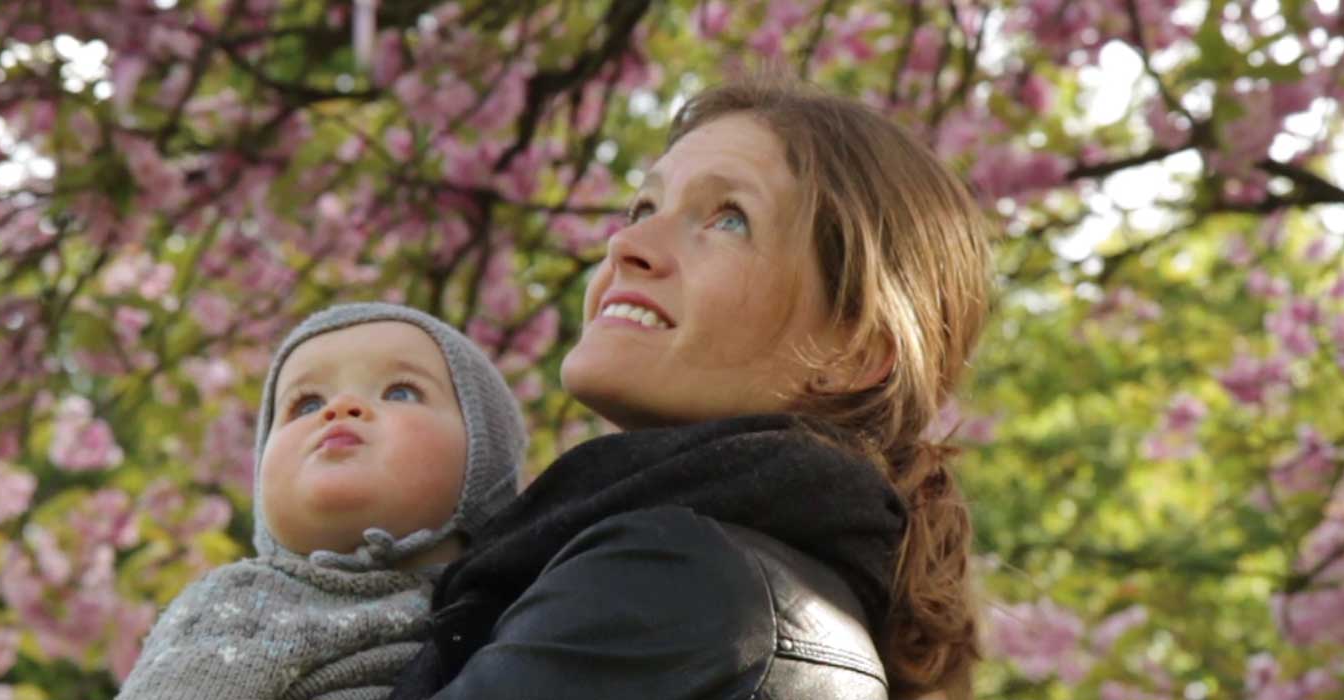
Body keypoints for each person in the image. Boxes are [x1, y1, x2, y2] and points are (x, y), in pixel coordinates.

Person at [390, 77, 994, 700]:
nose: (627, 245)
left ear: (855, 353)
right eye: (644, 209)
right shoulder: (755, 576)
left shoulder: (674, 579)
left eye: (729, 219)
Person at [117, 302, 527, 700]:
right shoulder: (242, 601)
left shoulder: (528, 606)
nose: (339, 408)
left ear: (485, 457)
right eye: (306, 404)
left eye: (400, 392)